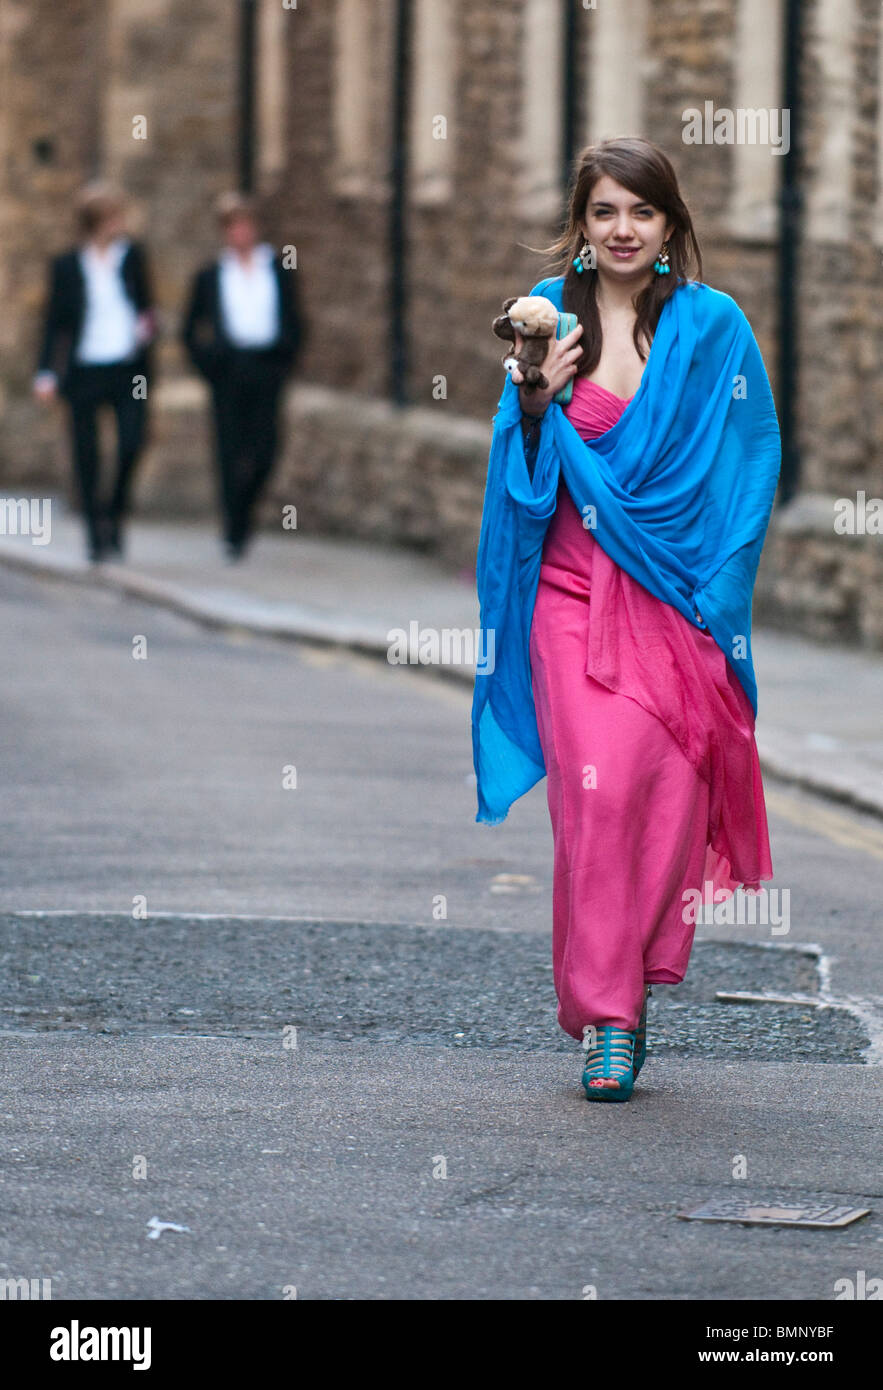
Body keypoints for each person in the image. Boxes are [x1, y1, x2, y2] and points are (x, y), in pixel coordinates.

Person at [471, 137, 781, 1102]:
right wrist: (534, 403)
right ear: (581, 223)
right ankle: (606, 1018)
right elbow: (520, 490)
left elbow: (752, 462)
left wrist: (719, 600)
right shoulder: (545, 321)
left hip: (675, 602)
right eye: (604, 211)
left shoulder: (713, 327)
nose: (621, 229)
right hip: (569, 598)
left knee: (670, 803)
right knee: (596, 802)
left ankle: (631, 980)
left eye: (640, 212)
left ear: (668, 224)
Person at [33, 182, 156, 562]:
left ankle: (114, 514)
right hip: (84, 369)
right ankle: (94, 536)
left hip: (129, 369)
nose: (117, 224)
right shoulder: (68, 265)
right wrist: (46, 372)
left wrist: (146, 325)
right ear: (94, 222)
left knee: (133, 442)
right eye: (110, 217)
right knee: (86, 454)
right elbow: (54, 322)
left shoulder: (132, 257)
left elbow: (147, 306)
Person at [182, 193, 304, 560]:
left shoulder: (278, 268)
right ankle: (233, 529)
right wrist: (209, 365)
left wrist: (285, 359)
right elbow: (191, 329)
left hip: (266, 367)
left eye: (246, 226)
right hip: (228, 369)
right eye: (234, 227)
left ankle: (245, 512)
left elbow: (295, 319)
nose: (241, 233)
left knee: (266, 450)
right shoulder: (210, 274)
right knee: (229, 449)